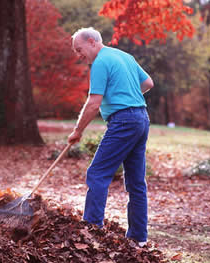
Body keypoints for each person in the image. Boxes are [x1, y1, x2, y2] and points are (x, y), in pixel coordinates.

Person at [68, 27, 154, 247]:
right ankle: (138, 238)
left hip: (124, 122)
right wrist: (126, 95)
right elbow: (148, 84)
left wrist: (78, 131)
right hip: (141, 118)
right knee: (136, 182)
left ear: (92, 42)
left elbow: (94, 103)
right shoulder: (125, 56)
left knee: (97, 173)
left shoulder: (100, 63)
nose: (79, 55)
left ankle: (91, 232)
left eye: (79, 49)